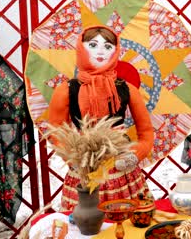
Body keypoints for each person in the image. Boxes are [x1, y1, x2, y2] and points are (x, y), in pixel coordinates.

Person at [48, 25, 154, 210]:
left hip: (122, 169)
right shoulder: (66, 89)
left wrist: (135, 155)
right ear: (81, 49)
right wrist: (73, 157)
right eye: (93, 45)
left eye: (107, 47)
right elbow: (56, 130)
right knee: (85, 225)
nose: (100, 52)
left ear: (115, 51)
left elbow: (146, 131)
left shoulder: (127, 88)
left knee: (128, 223)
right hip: (84, 169)